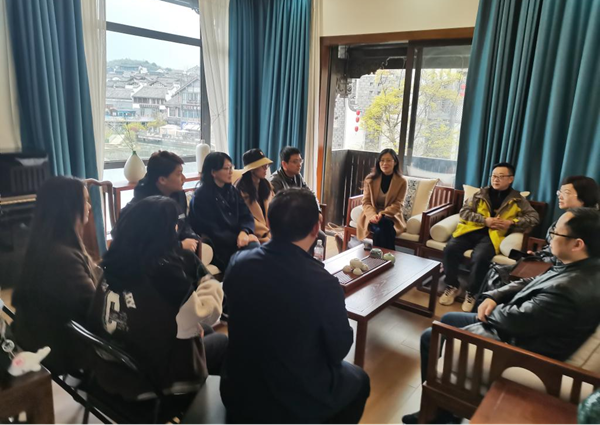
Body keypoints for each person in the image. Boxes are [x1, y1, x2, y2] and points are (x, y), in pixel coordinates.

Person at [403, 207, 600, 425]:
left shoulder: (568, 291)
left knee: (431, 336)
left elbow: (516, 322)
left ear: (577, 244)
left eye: (556, 232)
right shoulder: (580, 266)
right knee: (449, 319)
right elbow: (533, 282)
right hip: (522, 330)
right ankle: (443, 411)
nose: (550, 236)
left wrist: (491, 311)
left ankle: (434, 415)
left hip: (520, 350)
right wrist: (495, 296)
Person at [220, 189, 370, 424]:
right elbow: (339, 349)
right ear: (316, 228)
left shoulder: (238, 262)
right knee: (360, 380)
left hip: (238, 390)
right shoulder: (324, 284)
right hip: (291, 402)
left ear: (269, 223)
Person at [89, 196, 228, 401]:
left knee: (204, 331)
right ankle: (202, 408)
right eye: (174, 225)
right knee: (222, 341)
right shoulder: (164, 275)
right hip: (153, 381)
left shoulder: (110, 266)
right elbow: (207, 314)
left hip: (114, 366)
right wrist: (208, 281)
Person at [12, 176, 98, 375]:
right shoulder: (63, 258)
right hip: (60, 352)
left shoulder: (44, 245)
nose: (89, 206)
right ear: (69, 209)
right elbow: (95, 308)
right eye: (85, 200)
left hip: (34, 339)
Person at [440, 162, 539, 312]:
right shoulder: (480, 194)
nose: (496, 179)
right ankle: (453, 285)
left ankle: (472, 293)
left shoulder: (518, 199)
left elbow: (534, 218)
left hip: (493, 236)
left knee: (480, 257)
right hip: (470, 231)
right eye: (494, 176)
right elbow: (464, 212)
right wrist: (484, 220)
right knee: (450, 249)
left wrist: (512, 223)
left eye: (501, 176)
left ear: (510, 179)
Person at [116, 151, 198, 252]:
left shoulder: (179, 195)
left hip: (171, 252)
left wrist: (193, 238)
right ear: (162, 180)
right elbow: (146, 245)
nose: (184, 178)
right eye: (178, 174)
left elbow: (183, 223)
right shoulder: (143, 207)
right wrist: (179, 245)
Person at [189, 152, 259, 270]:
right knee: (253, 255)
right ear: (213, 172)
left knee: (257, 251)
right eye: (226, 168)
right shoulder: (201, 197)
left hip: (237, 240)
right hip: (218, 246)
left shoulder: (232, 190)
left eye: (231, 167)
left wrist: (245, 232)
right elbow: (212, 230)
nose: (231, 172)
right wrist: (239, 238)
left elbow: (246, 215)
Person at [270, 146, 327, 253]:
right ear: (284, 164)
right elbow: (283, 207)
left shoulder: (297, 176)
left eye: (300, 160)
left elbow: (311, 194)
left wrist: (318, 210)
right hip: (285, 223)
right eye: (295, 161)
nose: (299, 164)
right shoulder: (275, 181)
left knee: (321, 237)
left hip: (298, 220)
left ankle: (312, 261)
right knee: (310, 236)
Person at [356, 148, 407, 250]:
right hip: (372, 214)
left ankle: (376, 255)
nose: (384, 163)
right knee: (385, 227)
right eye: (382, 160)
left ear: (395, 162)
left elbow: (398, 204)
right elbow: (366, 202)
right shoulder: (370, 179)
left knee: (382, 226)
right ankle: (389, 255)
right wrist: (373, 215)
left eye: (388, 160)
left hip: (391, 215)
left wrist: (383, 214)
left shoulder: (402, 181)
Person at [234, 149, 274, 243]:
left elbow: (276, 209)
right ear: (252, 169)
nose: (266, 168)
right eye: (262, 165)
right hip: (254, 236)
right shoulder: (240, 190)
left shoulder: (267, 185)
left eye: (266, 165)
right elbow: (244, 219)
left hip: (272, 233)